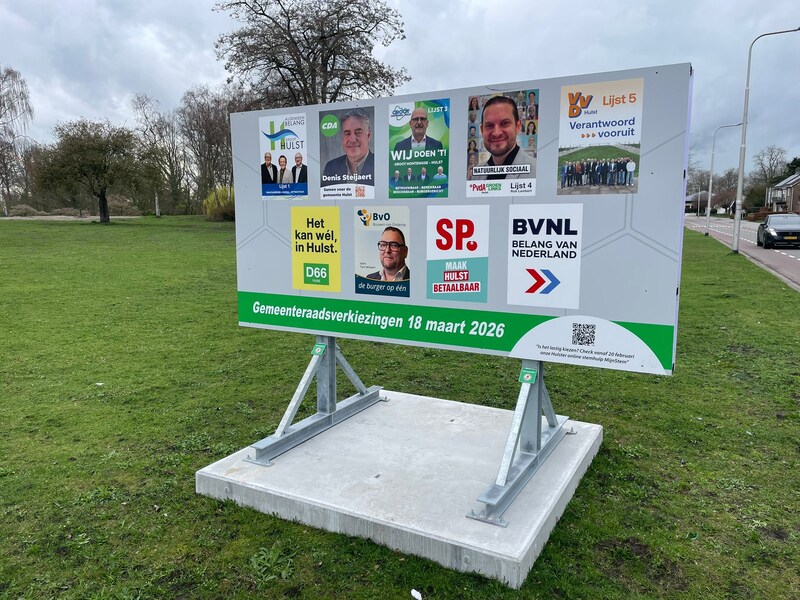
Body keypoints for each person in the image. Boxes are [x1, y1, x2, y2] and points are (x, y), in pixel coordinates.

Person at [472, 95, 536, 180]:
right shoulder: (476, 176)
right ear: (482, 130)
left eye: (505, 123)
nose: (496, 133)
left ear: (518, 126)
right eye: (489, 125)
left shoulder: (538, 172)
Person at [322, 108, 374, 185]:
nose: (352, 139)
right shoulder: (331, 167)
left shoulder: (379, 165)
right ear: (342, 137)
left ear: (368, 135)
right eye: (347, 133)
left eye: (358, 132)